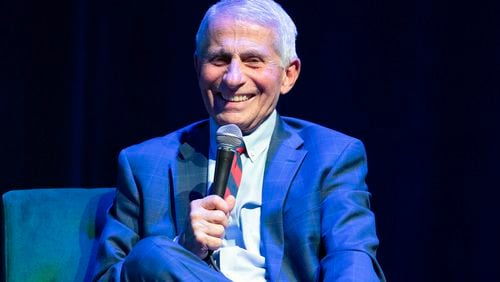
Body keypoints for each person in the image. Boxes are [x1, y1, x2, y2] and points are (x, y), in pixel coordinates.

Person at [93, 0, 385, 281]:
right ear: (197, 67)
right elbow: (108, 277)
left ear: (288, 75)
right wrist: (183, 247)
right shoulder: (144, 164)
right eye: (219, 59)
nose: (233, 78)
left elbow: (353, 259)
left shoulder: (331, 156)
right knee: (152, 254)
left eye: (253, 61)